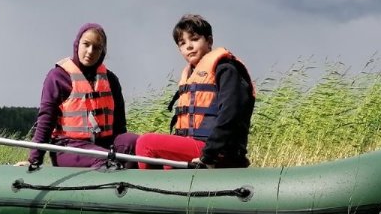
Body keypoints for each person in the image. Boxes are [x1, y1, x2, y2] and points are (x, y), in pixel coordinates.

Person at [134, 14, 254, 169]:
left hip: (219, 152)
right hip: (198, 148)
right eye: (182, 43)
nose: (188, 46)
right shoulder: (190, 75)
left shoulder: (226, 69)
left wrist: (208, 155)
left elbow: (230, 114)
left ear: (209, 41)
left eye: (194, 39)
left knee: (146, 143)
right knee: (165, 165)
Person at [19, 22, 136, 171]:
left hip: (104, 144)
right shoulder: (57, 77)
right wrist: (34, 160)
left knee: (135, 143)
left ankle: (133, 180)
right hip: (68, 147)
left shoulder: (111, 80)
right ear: (77, 44)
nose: (90, 51)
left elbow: (120, 126)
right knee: (105, 159)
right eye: (86, 44)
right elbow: (46, 121)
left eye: (97, 47)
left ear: (103, 51)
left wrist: (126, 148)